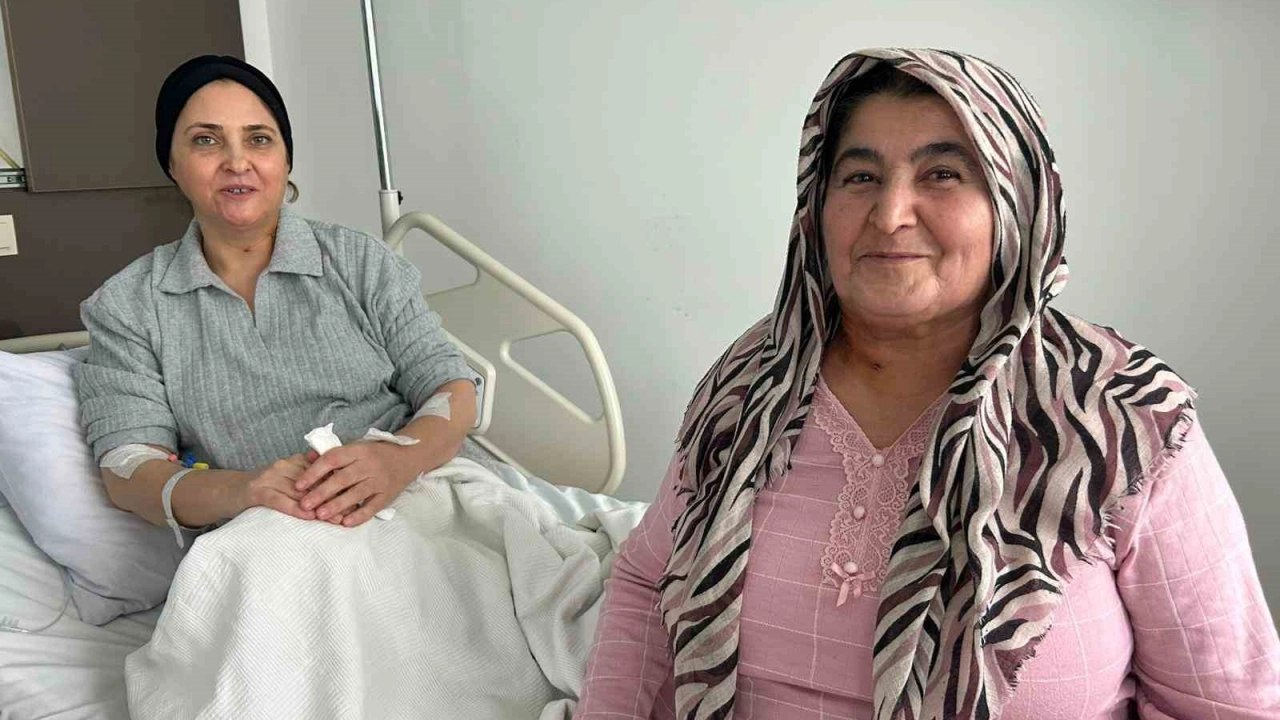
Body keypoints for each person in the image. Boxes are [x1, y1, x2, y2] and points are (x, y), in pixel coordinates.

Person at [577, 48, 1280, 720]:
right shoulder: (755, 381)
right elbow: (646, 581)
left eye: (942, 174)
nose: (890, 215)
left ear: (1015, 200)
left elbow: (1224, 705)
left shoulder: (1122, 412)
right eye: (860, 177)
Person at [74, 55, 478, 542]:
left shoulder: (359, 261)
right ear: (172, 165)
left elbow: (450, 387)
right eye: (206, 140)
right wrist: (245, 490)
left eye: (259, 139)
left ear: (285, 160)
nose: (237, 162)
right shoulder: (128, 306)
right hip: (272, 534)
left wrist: (398, 460)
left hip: (420, 494)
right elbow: (128, 469)